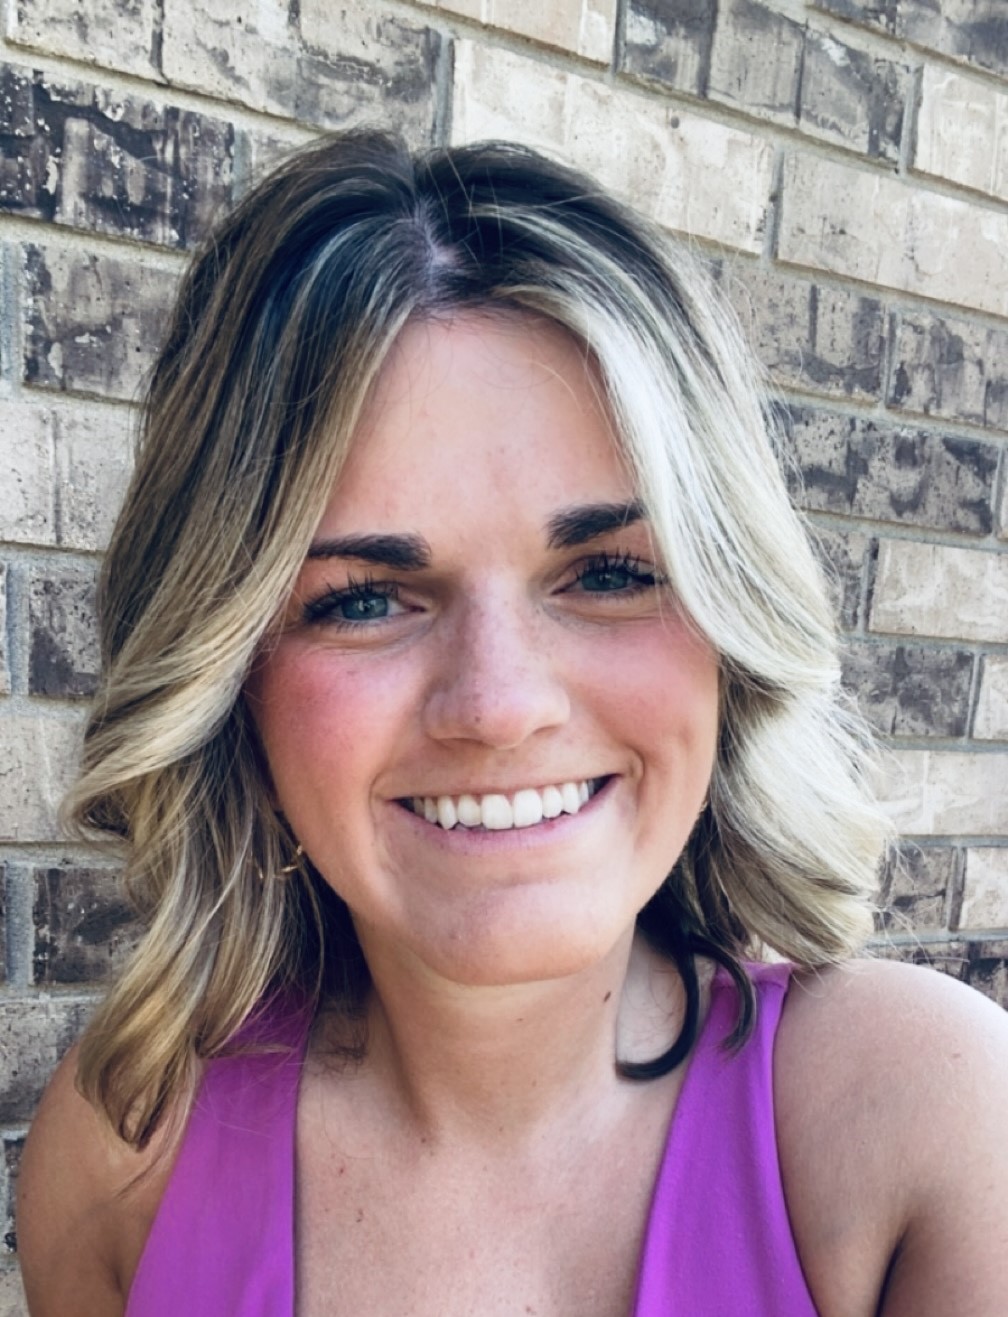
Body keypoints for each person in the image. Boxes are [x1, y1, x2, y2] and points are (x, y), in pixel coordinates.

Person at [16, 130, 1008, 1317]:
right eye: (365, 600)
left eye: (605, 573)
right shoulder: (120, 1154)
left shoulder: (928, 1122)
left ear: (730, 627)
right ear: (229, 674)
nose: (499, 706)